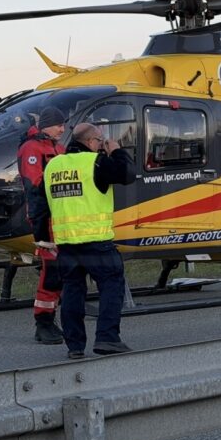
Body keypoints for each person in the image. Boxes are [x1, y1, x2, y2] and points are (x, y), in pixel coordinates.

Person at [34, 122, 136, 358]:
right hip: (96, 241)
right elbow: (128, 174)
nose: (101, 146)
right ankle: (107, 338)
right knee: (112, 285)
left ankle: (75, 346)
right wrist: (116, 150)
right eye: (99, 142)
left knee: (72, 292)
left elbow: (39, 205)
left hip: (67, 244)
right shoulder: (95, 163)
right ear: (91, 142)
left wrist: (41, 238)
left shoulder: (53, 166)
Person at [16, 106, 67, 344]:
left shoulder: (57, 147)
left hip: (64, 220)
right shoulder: (32, 148)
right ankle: (43, 323)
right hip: (46, 220)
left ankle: (54, 319)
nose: (62, 128)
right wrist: (39, 227)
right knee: (52, 272)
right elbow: (34, 186)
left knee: (63, 270)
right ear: (46, 124)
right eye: (59, 124)